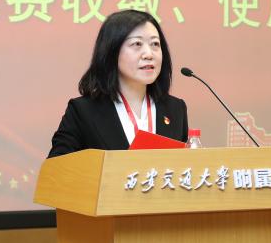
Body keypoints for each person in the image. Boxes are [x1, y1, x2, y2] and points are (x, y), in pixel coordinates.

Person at [48, 9, 188, 158]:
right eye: (137, 44)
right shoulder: (83, 111)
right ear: (111, 51)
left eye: (155, 44)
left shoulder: (175, 109)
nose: (149, 54)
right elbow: (57, 168)